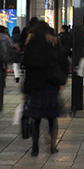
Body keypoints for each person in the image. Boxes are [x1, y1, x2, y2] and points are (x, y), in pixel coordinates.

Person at [23, 21, 67, 155]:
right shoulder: (50, 47)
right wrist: (61, 80)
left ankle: (35, 146)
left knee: (36, 118)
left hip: (35, 86)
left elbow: (27, 67)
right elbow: (57, 63)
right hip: (49, 85)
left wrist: (25, 89)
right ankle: (53, 145)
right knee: (51, 117)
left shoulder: (30, 46)